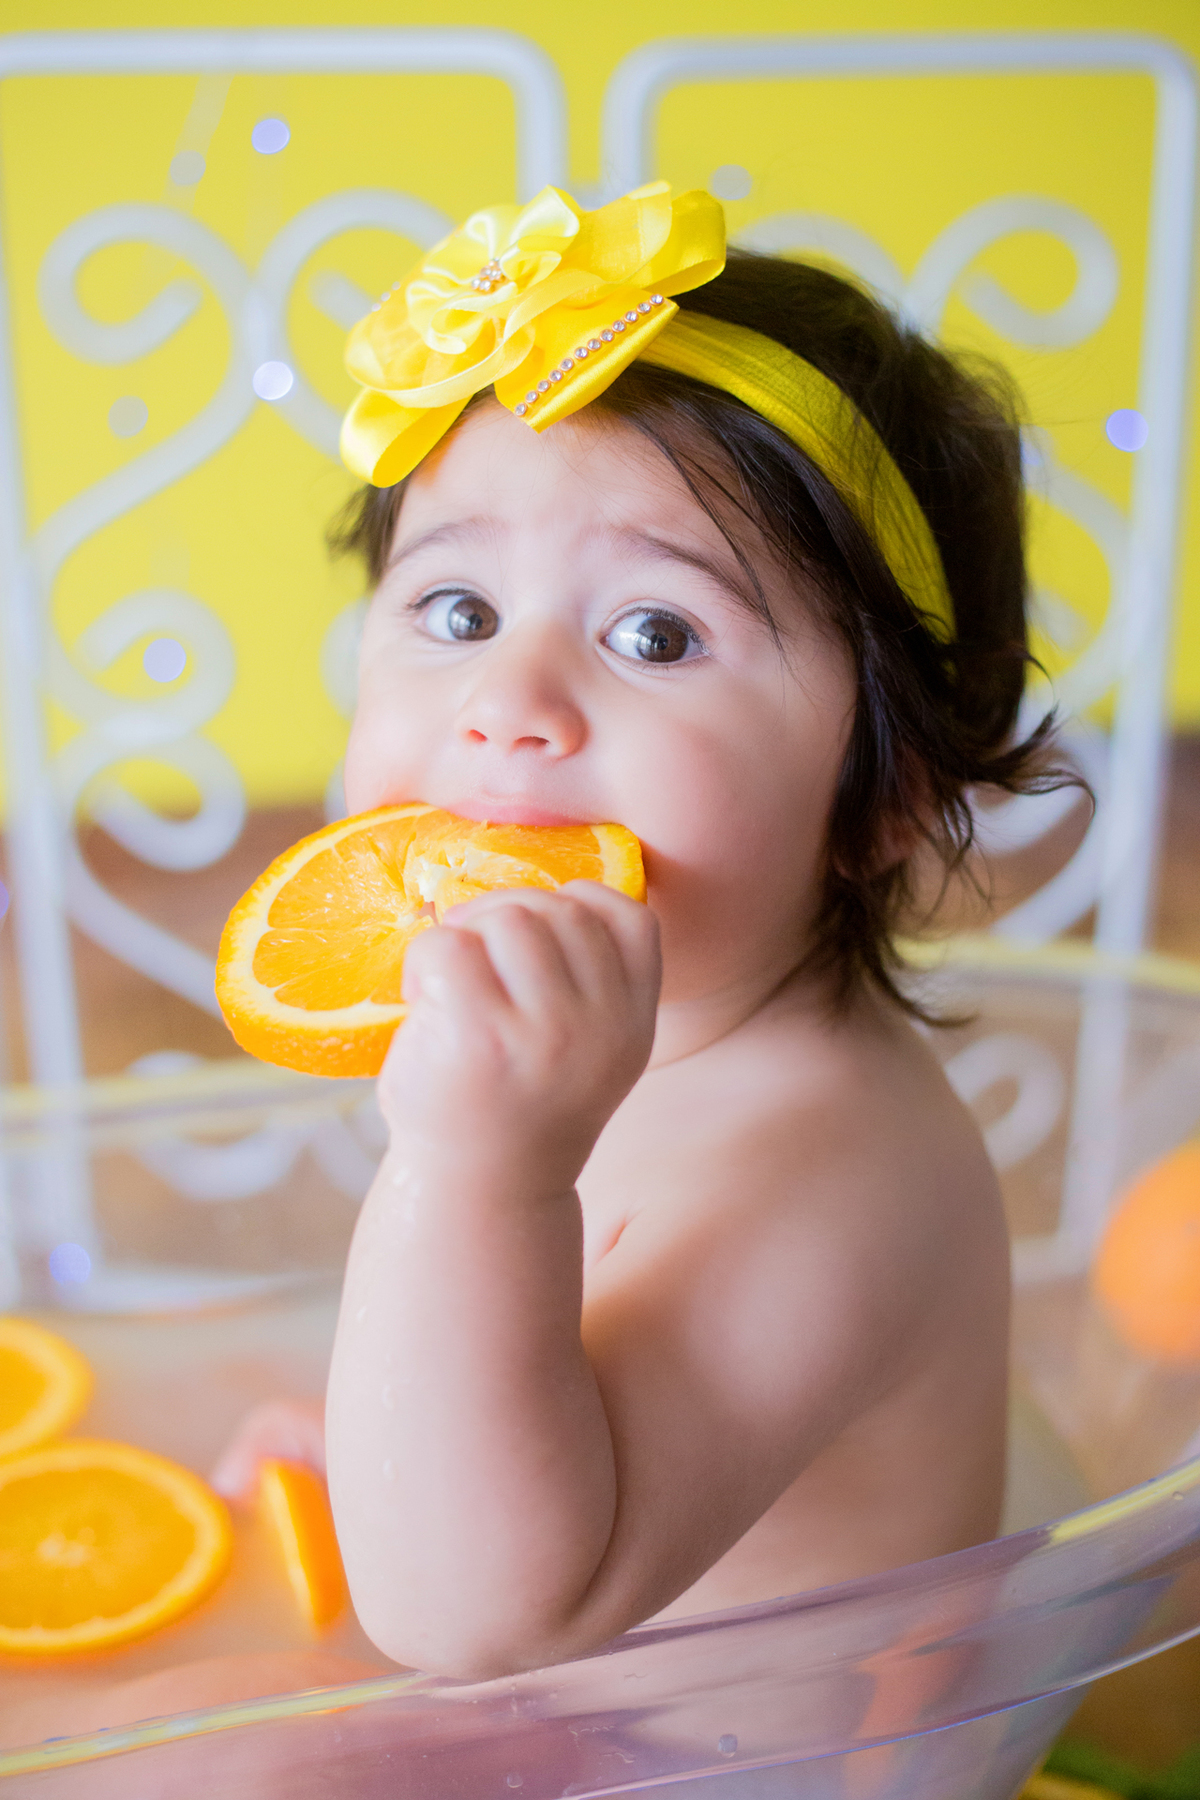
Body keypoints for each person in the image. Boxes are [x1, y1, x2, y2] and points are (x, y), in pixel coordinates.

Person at [215, 180, 1063, 1682]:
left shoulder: (834, 1168)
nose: (510, 705)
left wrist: (479, 1173)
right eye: (459, 610)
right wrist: (391, 1441)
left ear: (881, 800)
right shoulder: (604, 1046)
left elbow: (482, 1621)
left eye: (655, 635)